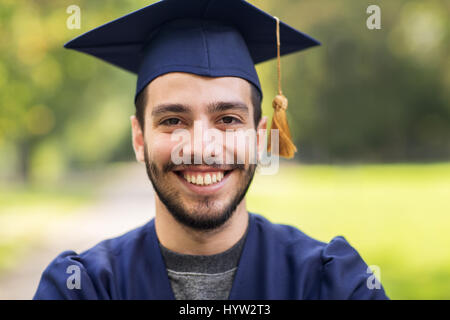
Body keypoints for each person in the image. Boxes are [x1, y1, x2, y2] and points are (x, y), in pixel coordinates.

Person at [34, 0, 389, 300]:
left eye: (229, 119)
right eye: (173, 120)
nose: (202, 147)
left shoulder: (332, 285)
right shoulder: (84, 289)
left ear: (260, 136)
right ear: (139, 139)